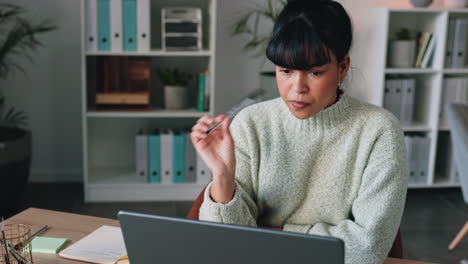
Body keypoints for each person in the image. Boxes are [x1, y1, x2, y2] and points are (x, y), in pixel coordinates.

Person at [189, 0, 408, 263]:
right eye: (285, 71)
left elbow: (367, 249)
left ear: (343, 67)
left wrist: (270, 234)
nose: (297, 88)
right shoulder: (251, 122)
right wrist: (222, 177)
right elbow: (226, 242)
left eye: (315, 72)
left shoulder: (379, 131)